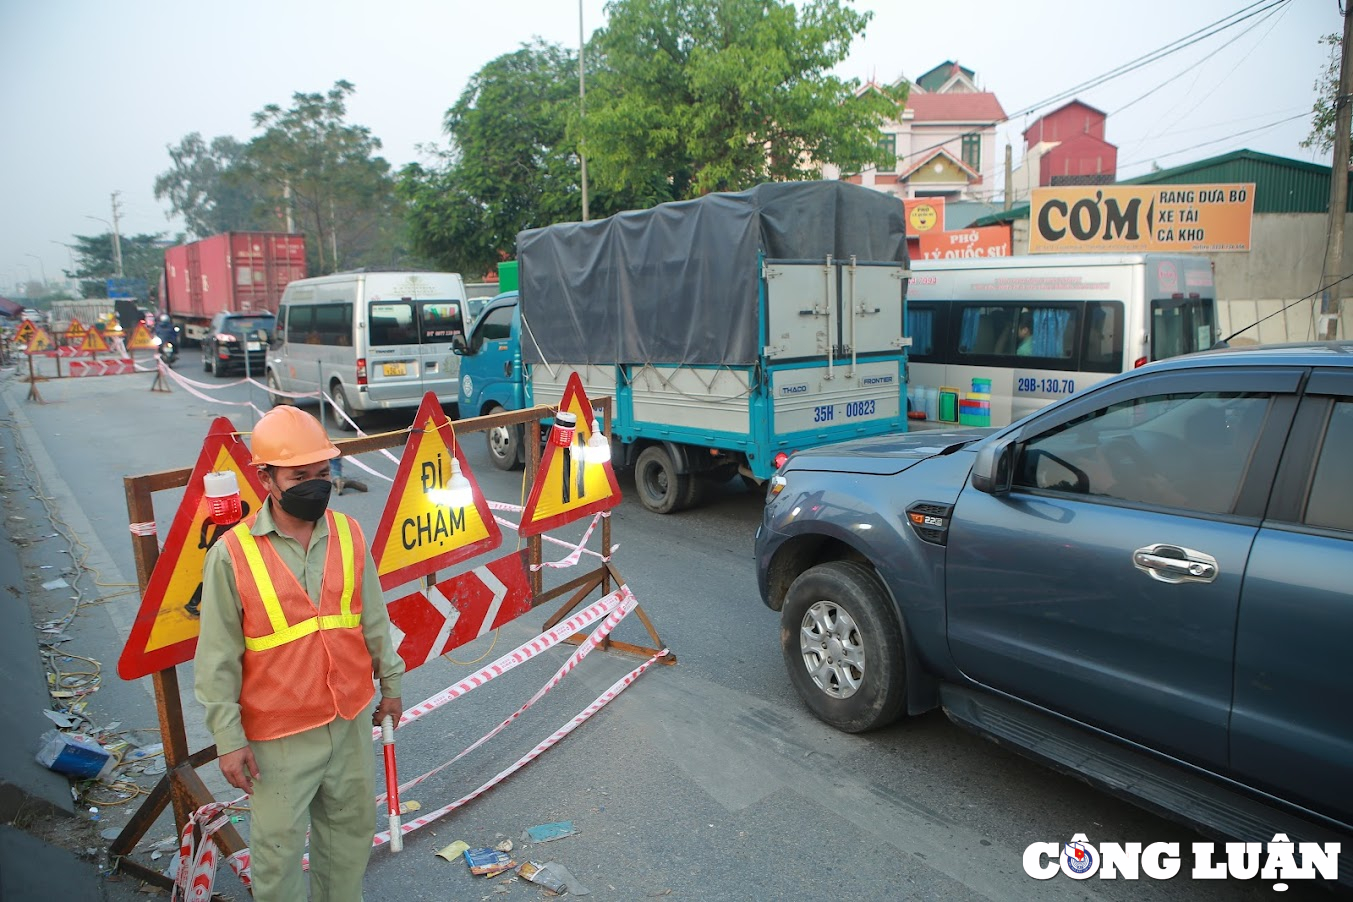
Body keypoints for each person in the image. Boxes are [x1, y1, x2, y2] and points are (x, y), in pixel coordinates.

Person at [194, 406, 404, 901]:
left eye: (321, 472)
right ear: (265, 477)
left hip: (349, 719)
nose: (315, 484)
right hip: (279, 736)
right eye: (299, 476)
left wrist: (391, 686)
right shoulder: (233, 553)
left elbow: (373, 619)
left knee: (348, 839)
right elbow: (217, 657)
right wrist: (228, 738)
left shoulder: (349, 534)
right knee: (278, 853)